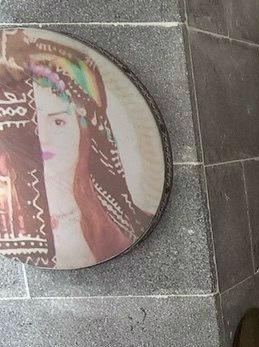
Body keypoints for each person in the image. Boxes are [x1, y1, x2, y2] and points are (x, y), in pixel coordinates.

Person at [0, 29, 154, 268]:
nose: (44, 140)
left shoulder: (128, 222)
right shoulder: (13, 231)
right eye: (28, 128)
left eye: (58, 121)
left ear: (85, 133)